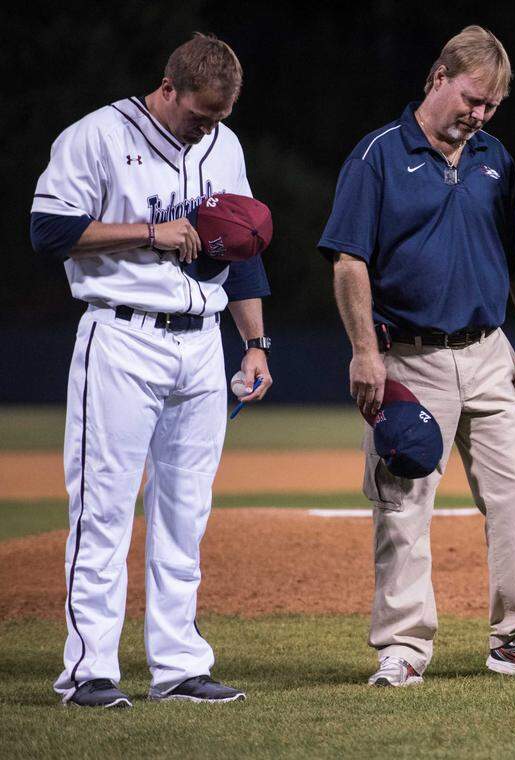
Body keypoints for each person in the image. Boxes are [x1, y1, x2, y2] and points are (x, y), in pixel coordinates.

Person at [317, 25, 515, 687]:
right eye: (471, 99)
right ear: (439, 77)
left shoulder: (495, 159)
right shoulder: (378, 154)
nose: (479, 115)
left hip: (490, 353)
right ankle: (402, 650)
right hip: (406, 358)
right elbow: (349, 262)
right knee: (402, 506)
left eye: (491, 107)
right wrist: (364, 353)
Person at [30, 33, 273, 708]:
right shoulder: (98, 137)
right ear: (169, 89)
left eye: (220, 117)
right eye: (200, 114)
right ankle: (88, 672)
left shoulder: (224, 145)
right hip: (123, 336)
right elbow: (48, 230)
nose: (209, 128)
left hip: (201, 346)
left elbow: (242, 245)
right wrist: (146, 232)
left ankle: (179, 665)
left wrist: (256, 344)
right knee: (103, 509)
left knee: (185, 513)